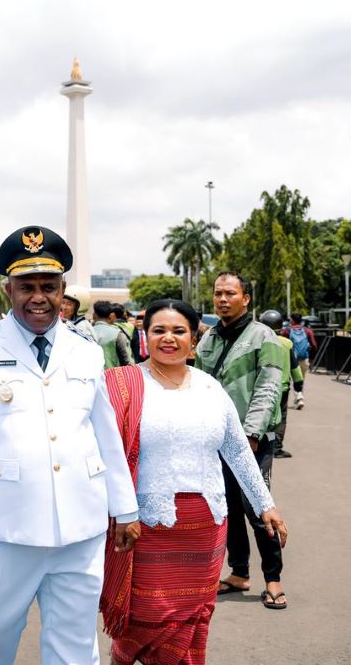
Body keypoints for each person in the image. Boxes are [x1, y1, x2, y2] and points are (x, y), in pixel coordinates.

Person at [0, 225, 138, 665]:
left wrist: (126, 508)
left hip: (80, 527)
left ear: (63, 291)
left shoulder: (85, 350)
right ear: (9, 289)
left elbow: (104, 435)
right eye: (27, 287)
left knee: (76, 648)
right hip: (5, 530)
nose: (38, 297)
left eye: (49, 287)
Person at [101, 299, 287, 665]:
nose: (168, 339)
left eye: (178, 331)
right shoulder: (122, 386)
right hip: (144, 527)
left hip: (205, 529)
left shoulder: (210, 389)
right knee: (146, 619)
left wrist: (265, 504)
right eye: (159, 330)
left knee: (190, 621)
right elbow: (102, 456)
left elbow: (236, 450)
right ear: (145, 335)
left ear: (194, 338)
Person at [194, 272, 288, 609]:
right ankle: (239, 573)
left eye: (229, 293)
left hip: (252, 440)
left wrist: (251, 435)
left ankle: (273, 579)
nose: (222, 299)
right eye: (218, 293)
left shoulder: (264, 338)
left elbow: (268, 388)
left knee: (257, 506)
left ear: (245, 298)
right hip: (217, 437)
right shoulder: (209, 339)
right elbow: (199, 385)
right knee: (228, 506)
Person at [260, 310, 305, 459]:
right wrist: (298, 385)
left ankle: (260, 443)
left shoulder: (258, 341)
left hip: (261, 387)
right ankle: (276, 448)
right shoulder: (286, 343)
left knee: (261, 414)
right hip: (282, 388)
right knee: (280, 418)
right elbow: (295, 368)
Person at [280, 313, 317, 398]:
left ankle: (295, 397)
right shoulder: (307, 331)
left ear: (292, 320)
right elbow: (314, 345)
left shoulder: (286, 331)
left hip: (290, 359)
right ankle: (299, 395)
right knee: (300, 379)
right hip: (304, 359)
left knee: (288, 378)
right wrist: (311, 358)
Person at [92, 300, 133, 369]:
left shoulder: (85, 333)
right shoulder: (117, 333)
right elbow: (127, 360)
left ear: (94, 315)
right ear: (111, 316)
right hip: (112, 376)